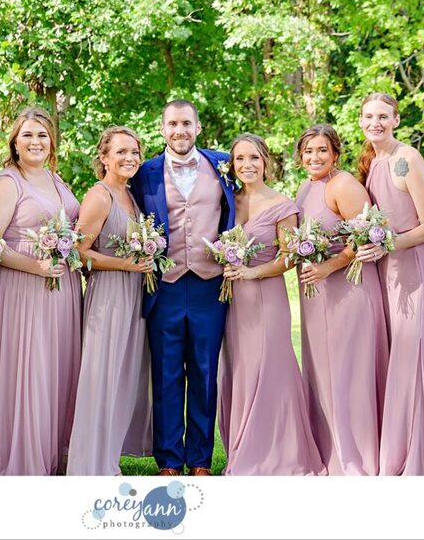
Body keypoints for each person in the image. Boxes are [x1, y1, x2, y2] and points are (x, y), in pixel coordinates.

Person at [130, 99, 235, 476]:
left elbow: (248, 202)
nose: (180, 131)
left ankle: (201, 460)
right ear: (162, 129)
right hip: (166, 284)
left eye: (186, 123)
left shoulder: (224, 165)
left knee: (206, 372)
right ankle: (170, 459)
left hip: (211, 285)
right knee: (167, 372)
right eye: (173, 124)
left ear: (198, 127)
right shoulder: (144, 172)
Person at [0, 107, 82, 475]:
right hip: (21, 289)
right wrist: (35, 265)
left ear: (52, 142)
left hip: (62, 288)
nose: (36, 141)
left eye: (42, 135)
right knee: (28, 371)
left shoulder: (57, 180)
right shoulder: (7, 182)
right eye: (28, 135)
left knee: (57, 369)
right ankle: (22, 460)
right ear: (14, 142)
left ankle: (54, 455)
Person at [219, 134, 325, 475]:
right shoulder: (227, 202)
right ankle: (243, 448)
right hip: (232, 302)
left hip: (267, 297)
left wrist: (253, 273)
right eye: (239, 159)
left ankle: (280, 452)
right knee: (240, 370)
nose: (247, 165)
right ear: (232, 165)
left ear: (265, 161)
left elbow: (289, 257)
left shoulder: (282, 205)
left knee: (270, 370)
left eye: (253, 158)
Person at [355, 92, 424, 475]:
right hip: (387, 270)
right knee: (396, 360)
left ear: (396, 120)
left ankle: (415, 454)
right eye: (369, 116)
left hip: (413, 267)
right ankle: (393, 448)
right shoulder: (373, 161)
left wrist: (387, 243)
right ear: (360, 121)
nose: (375, 123)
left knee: (413, 360)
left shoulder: (406, 159)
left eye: (383, 116)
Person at [294, 124, 389, 475]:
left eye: (322, 150)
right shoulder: (306, 187)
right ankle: (329, 448)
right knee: (324, 372)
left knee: (350, 372)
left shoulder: (344, 184)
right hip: (317, 296)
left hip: (349, 290)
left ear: (335, 153)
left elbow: (363, 236)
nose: (314, 157)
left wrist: (329, 266)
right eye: (308, 151)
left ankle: (356, 455)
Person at [66, 126, 153, 475]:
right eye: (121, 152)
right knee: (100, 379)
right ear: (104, 157)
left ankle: (108, 457)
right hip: (109, 296)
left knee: (121, 378)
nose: (130, 158)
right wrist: (124, 264)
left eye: (134, 152)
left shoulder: (131, 196)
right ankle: (89, 464)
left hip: (134, 296)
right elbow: (77, 251)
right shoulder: (100, 196)